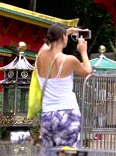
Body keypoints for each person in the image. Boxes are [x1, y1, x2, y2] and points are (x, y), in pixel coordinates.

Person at [36, 22, 92, 153]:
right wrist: (83, 52)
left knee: (49, 153)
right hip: (68, 114)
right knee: (69, 153)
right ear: (63, 37)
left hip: (47, 115)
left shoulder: (40, 57)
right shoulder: (69, 59)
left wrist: (66, 32)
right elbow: (87, 72)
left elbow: (45, 46)